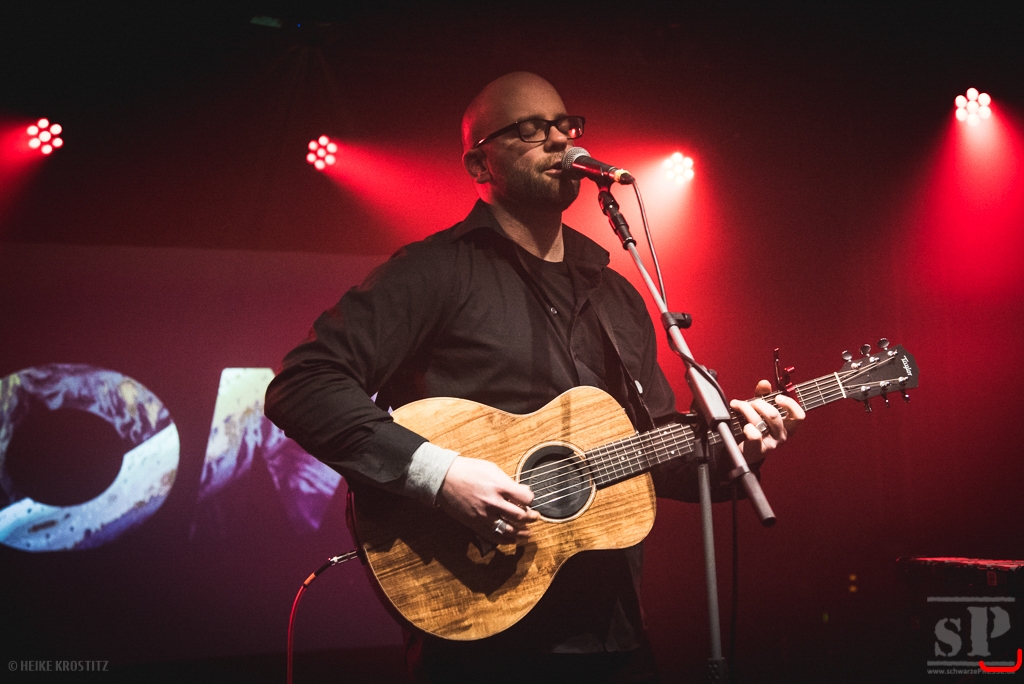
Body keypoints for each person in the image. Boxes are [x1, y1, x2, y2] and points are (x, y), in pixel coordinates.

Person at [265, 72, 804, 683]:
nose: (558, 139)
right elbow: (303, 383)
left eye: (565, 124)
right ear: (480, 164)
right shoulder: (435, 271)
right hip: (481, 629)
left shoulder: (616, 294)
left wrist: (739, 447)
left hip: (613, 631)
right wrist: (443, 475)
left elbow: (658, 452)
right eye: (529, 129)